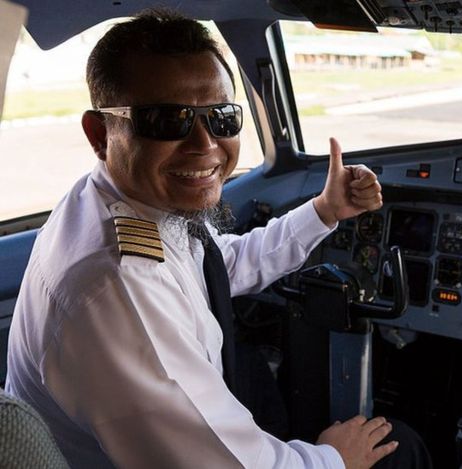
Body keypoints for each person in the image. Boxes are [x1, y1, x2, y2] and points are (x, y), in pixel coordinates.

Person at [4, 9, 422, 469]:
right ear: (100, 134)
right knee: (399, 448)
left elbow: (218, 267)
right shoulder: (119, 288)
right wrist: (335, 459)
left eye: (221, 118)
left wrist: (325, 211)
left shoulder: (122, 204)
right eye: (167, 121)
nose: (205, 145)